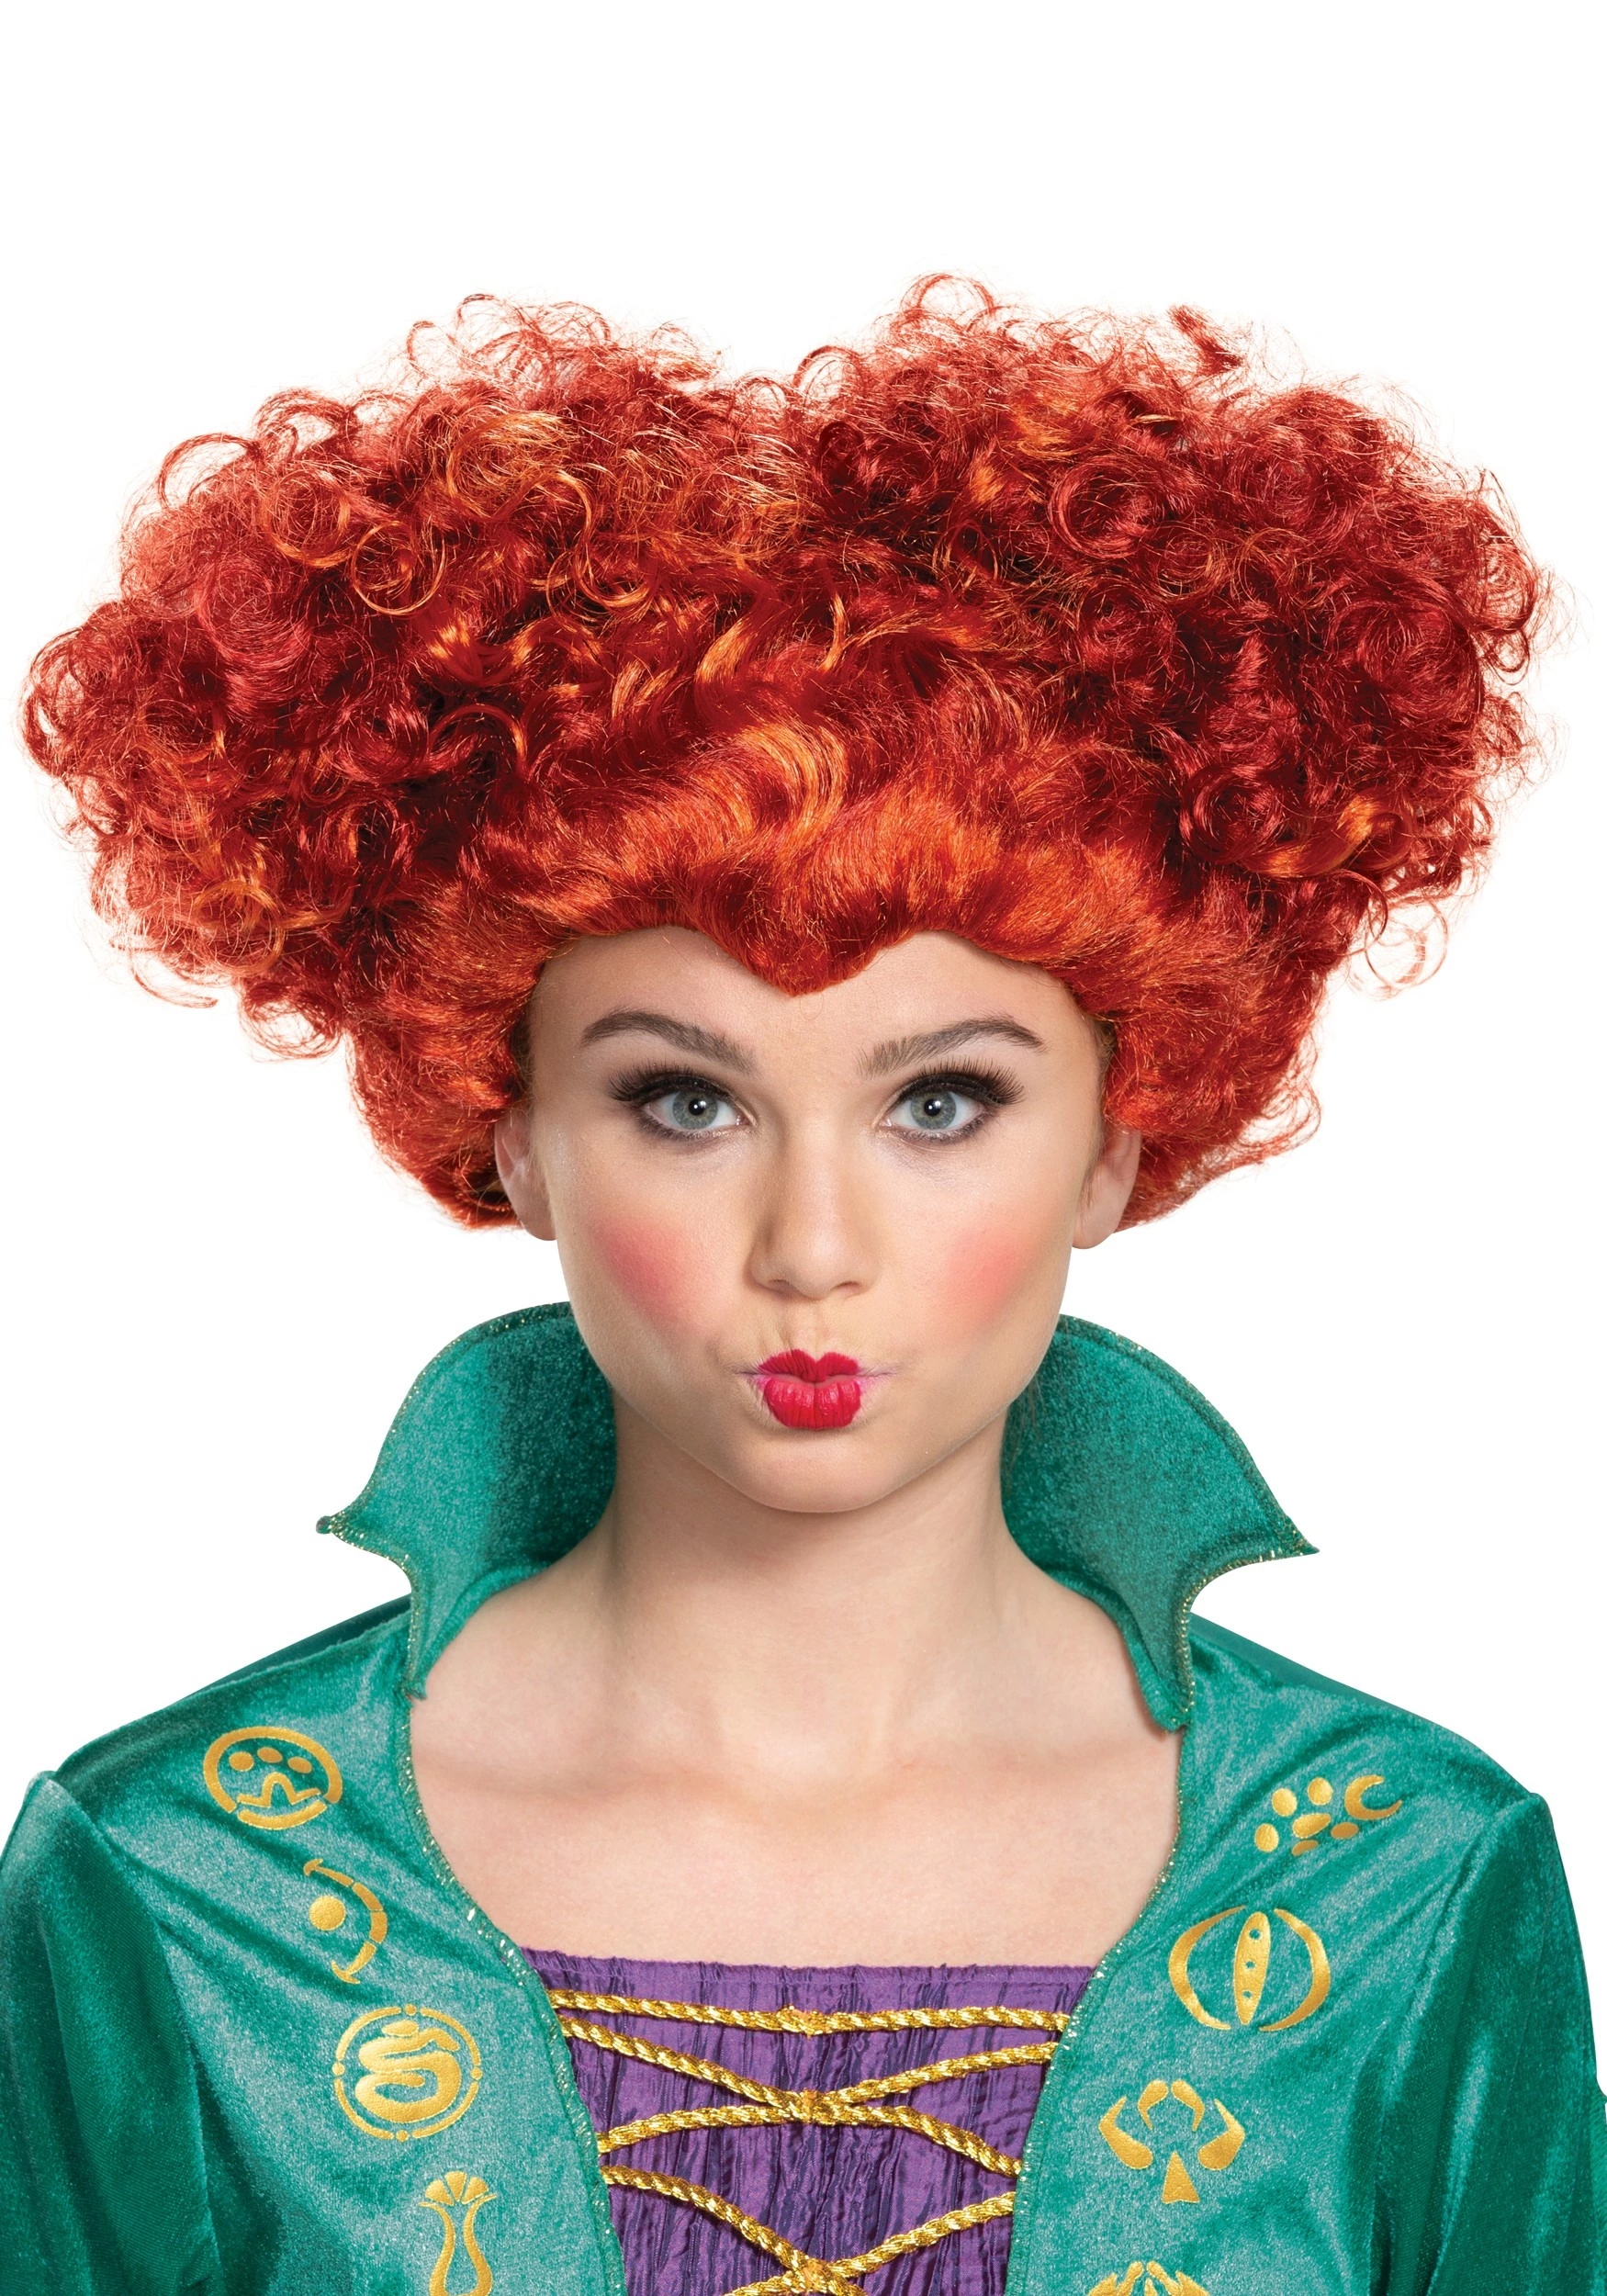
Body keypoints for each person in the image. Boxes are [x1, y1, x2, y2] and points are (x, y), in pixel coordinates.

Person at [3, 283, 1601, 2296]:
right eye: (685, 1101)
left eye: (941, 1100)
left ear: (1119, 1139)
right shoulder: (176, 1890)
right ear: (511, 1134)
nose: (811, 1242)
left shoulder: (1401, 1884)